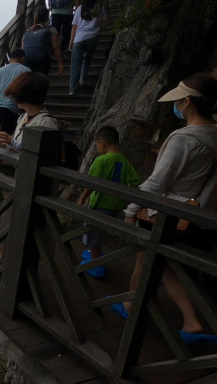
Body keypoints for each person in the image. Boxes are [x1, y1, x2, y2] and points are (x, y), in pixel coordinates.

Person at [115, 73, 217, 345]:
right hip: (199, 214)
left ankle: (129, 307)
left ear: (186, 102)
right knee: (166, 265)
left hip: (168, 212)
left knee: (144, 260)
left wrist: (130, 210)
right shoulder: (214, 133)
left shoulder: (185, 138)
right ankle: (191, 321)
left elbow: (158, 182)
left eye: (179, 101)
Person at [0, 72, 59, 269]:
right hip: (21, 178)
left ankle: (19, 267)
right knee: (9, 220)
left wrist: (15, 143)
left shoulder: (47, 123)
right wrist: (7, 145)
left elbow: (43, 157)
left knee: (26, 227)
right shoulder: (25, 117)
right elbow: (22, 148)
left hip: (37, 185)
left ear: (25, 95)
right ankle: (4, 258)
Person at [77, 126, 140, 278]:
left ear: (102, 142)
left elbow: (91, 184)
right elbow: (136, 182)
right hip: (115, 206)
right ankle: (96, 254)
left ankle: (95, 264)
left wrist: (81, 200)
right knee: (99, 233)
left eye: (97, 145)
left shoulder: (102, 160)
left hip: (99, 205)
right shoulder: (124, 161)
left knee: (92, 233)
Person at [68, 0, 106, 95]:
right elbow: (104, 22)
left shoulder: (80, 9)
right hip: (93, 37)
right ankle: (83, 79)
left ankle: (72, 89)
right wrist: (99, 30)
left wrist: (71, 41)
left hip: (79, 38)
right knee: (87, 58)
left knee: (75, 65)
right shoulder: (101, 8)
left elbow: (74, 27)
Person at [22, 6, 64, 76]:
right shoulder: (51, 30)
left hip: (28, 61)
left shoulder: (28, 30)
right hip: (43, 60)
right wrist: (60, 63)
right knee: (41, 81)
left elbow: (23, 48)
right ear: (47, 17)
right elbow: (55, 47)